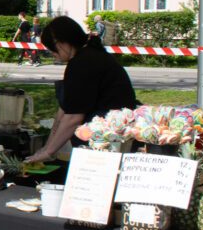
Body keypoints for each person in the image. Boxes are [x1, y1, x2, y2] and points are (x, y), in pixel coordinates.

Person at [25, 15, 137, 163]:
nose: (51, 53)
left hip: (108, 138)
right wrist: (48, 147)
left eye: (51, 49)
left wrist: (48, 152)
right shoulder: (88, 55)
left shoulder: (82, 63)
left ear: (61, 43)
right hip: (112, 132)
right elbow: (64, 109)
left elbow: (73, 117)